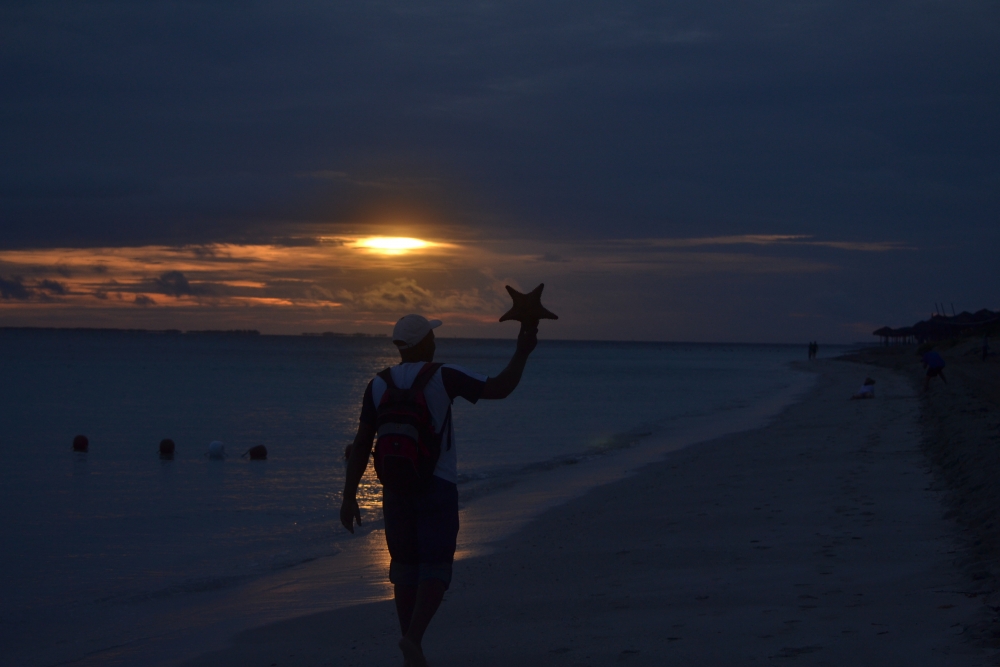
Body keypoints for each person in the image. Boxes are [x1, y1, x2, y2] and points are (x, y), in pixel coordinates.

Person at [340, 314, 537, 667]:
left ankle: (409, 648)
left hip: (395, 489)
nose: (435, 340)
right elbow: (500, 387)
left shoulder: (377, 384)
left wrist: (348, 495)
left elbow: (361, 442)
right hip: (437, 485)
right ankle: (413, 638)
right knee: (436, 566)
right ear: (423, 344)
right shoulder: (443, 376)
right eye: (431, 335)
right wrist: (522, 351)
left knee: (404, 568)